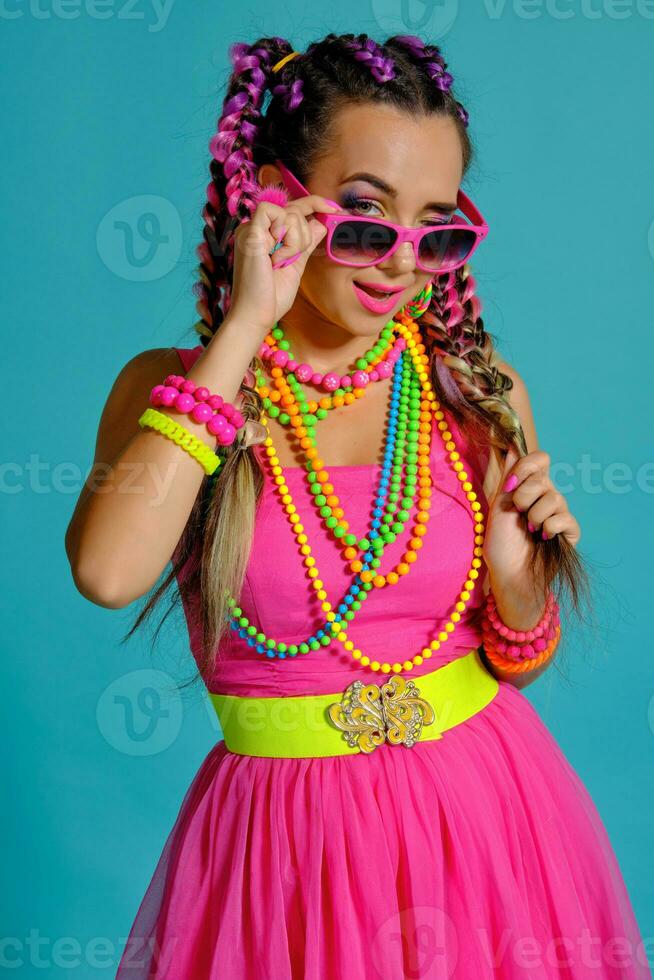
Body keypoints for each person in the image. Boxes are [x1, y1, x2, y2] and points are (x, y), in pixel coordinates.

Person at [65, 31, 651, 980]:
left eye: (438, 226)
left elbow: (520, 655)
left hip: (489, 816)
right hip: (284, 849)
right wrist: (244, 328)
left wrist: (515, 580)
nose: (401, 263)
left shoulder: (474, 387)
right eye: (368, 217)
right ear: (273, 199)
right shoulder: (176, 392)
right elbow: (106, 571)